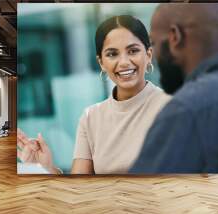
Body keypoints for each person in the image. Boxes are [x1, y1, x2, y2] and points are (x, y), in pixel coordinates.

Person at [17, 15, 171, 174]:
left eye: (133, 51)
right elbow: (78, 188)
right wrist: (46, 169)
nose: (124, 62)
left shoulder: (173, 109)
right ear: (101, 63)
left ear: (148, 55)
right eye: (112, 54)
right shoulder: (91, 117)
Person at [129, 4, 218, 173]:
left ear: (175, 37)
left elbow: (140, 194)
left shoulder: (184, 111)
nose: (152, 57)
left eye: (153, 43)